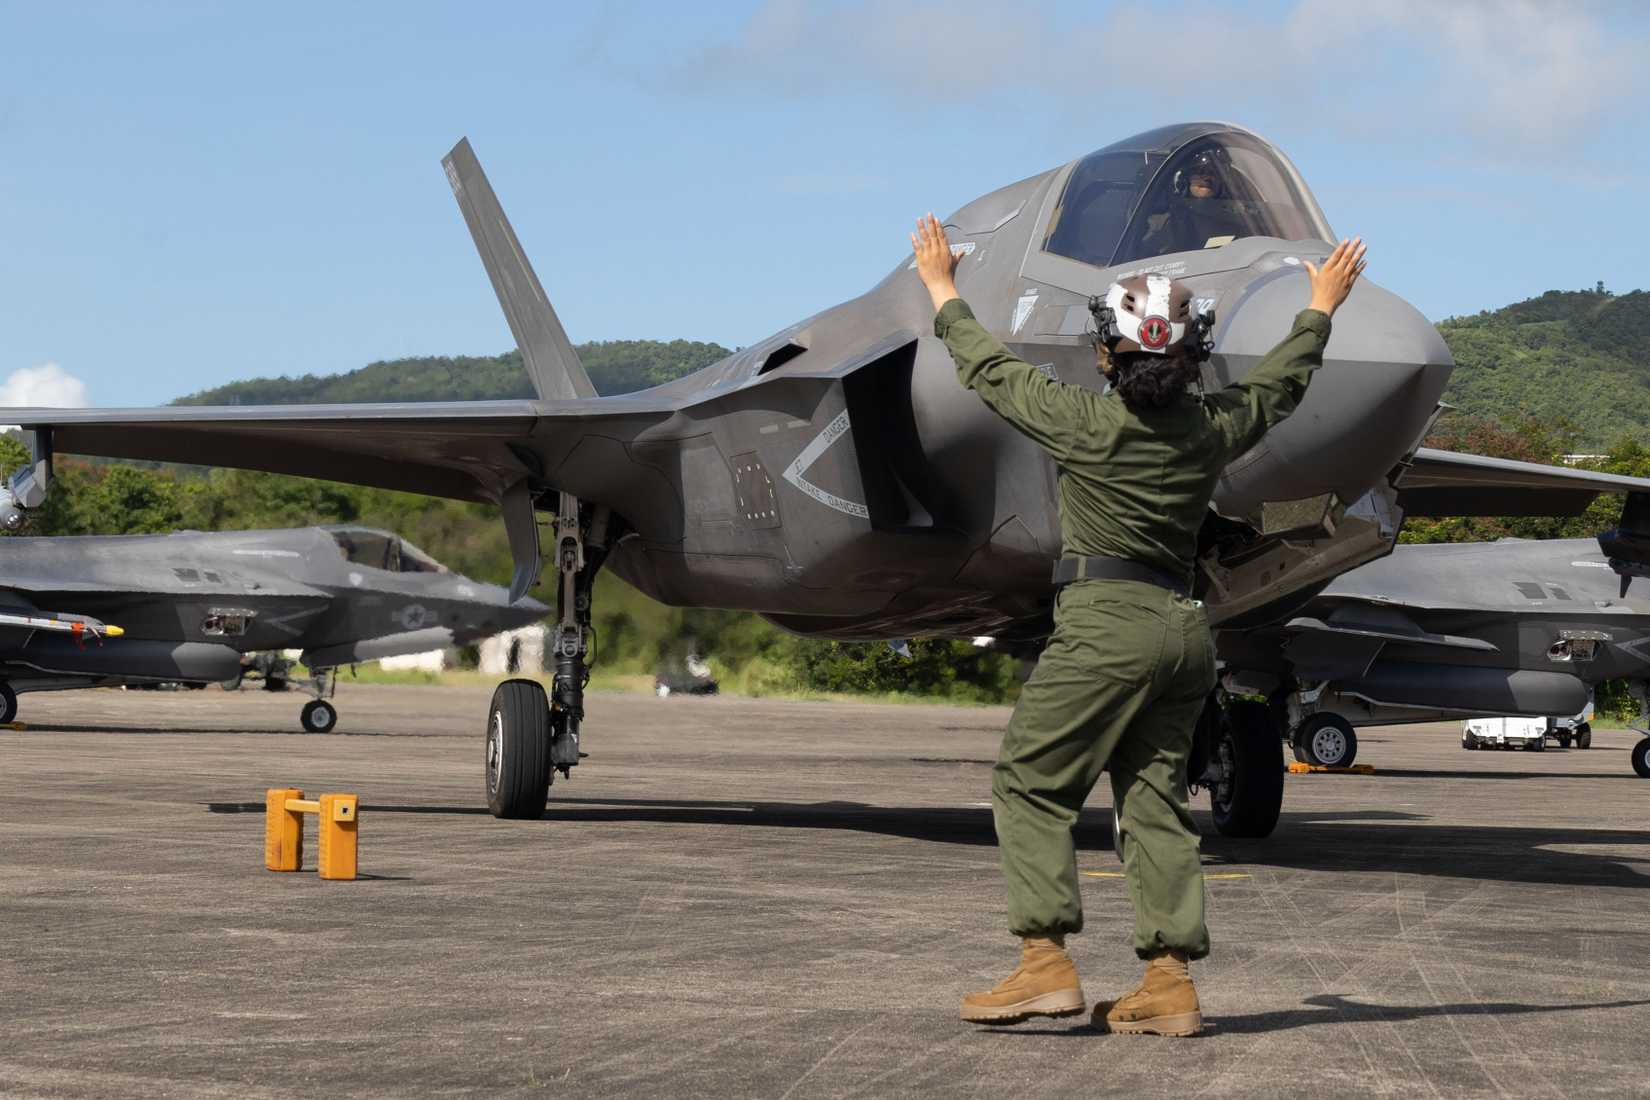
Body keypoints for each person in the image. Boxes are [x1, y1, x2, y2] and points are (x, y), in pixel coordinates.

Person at [909, 212, 1366, 1036]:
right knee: (1154, 800)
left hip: (1104, 627)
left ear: (1105, 354)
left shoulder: (1081, 422)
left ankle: (1044, 965)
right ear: (1192, 357)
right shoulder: (1212, 429)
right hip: (1185, 631)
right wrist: (1320, 308)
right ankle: (1168, 984)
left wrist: (942, 285)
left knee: (1029, 782)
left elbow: (986, 367)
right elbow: (1279, 386)